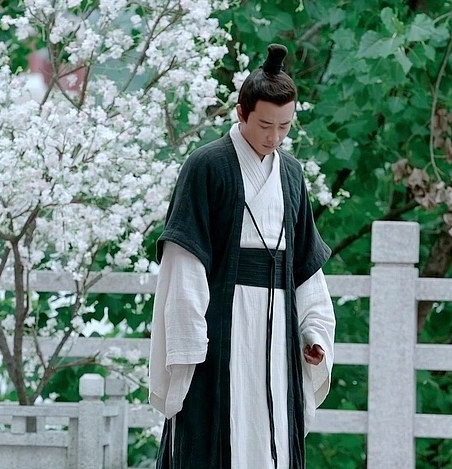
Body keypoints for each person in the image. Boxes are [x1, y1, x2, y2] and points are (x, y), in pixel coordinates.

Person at [148, 44, 336, 469]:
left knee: (273, 432)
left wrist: (313, 333)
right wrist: (189, 340)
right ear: (241, 113)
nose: (274, 137)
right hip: (221, 329)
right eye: (265, 125)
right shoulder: (206, 166)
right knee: (218, 431)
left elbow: (306, 268)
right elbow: (184, 262)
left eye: (285, 126)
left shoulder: (291, 174)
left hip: (278, 332)